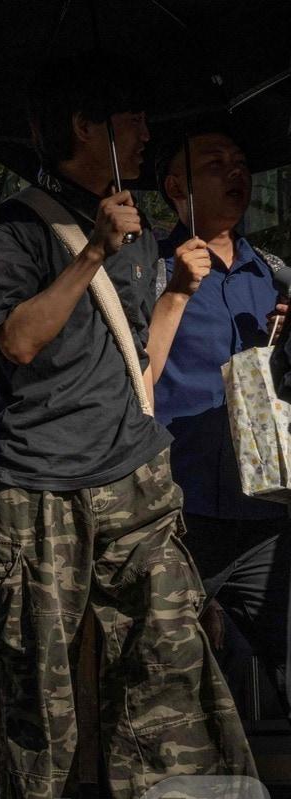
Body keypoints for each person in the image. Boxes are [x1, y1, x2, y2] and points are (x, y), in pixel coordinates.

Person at [0, 60, 269, 799]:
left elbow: (139, 365)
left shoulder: (141, 232)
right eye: (130, 120)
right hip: (38, 491)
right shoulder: (15, 229)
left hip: (134, 475)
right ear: (82, 129)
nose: (144, 134)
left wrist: (171, 289)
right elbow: (20, 343)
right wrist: (95, 248)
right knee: (42, 687)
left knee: (171, 663)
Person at [150, 129, 290, 715]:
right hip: (179, 514)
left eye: (240, 161)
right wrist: (176, 293)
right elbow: (133, 377)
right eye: (215, 163)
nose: (236, 171)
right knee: (160, 679)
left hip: (266, 509)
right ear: (177, 187)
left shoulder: (276, 273)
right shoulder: (151, 270)